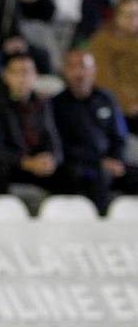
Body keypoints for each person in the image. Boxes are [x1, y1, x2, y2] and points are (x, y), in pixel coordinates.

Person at [0, 51, 63, 202]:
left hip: (30, 165)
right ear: (6, 76)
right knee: (0, 173)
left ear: (35, 76)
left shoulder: (42, 104)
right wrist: (25, 162)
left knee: (70, 174)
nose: (23, 79)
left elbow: (52, 138)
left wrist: (52, 159)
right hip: (1, 165)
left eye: (27, 73)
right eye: (17, 73)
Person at [51, 49, 132, 213]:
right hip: (80, 167)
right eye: (73, 67)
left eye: (83, 66)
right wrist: (98, 161)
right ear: (65, 71)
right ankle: (101, 230)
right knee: (98, 175)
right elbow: (59, 144)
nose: (79, 73)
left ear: (94, 70)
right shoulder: (56, 104)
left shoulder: (106, 98)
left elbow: (119, 137)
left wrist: (117, 159)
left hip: (110, 164)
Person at [90, 0, 138, 134]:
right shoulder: (102, 41)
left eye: (136, 15)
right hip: (122, 109)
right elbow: (104, 81)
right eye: (129, 15)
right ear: (117, 17)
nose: (133, 20)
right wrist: (129, 103)